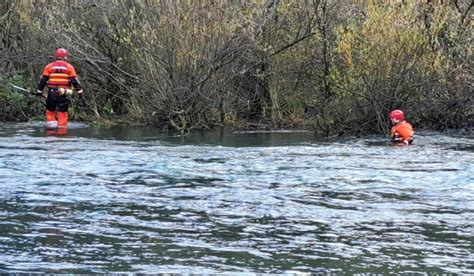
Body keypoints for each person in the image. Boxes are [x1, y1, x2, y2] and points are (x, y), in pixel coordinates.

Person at [35, 48, 83, 129]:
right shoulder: (69, 67)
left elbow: (43, 80)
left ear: (56, 56)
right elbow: (74, 81)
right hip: (63, 93)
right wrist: (80, 91)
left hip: (52, 93)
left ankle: (50, 132)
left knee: (50, 111)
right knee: (62, 112)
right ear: (65, 57)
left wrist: (39, 91)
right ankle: (62, 131)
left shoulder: (49, 66)